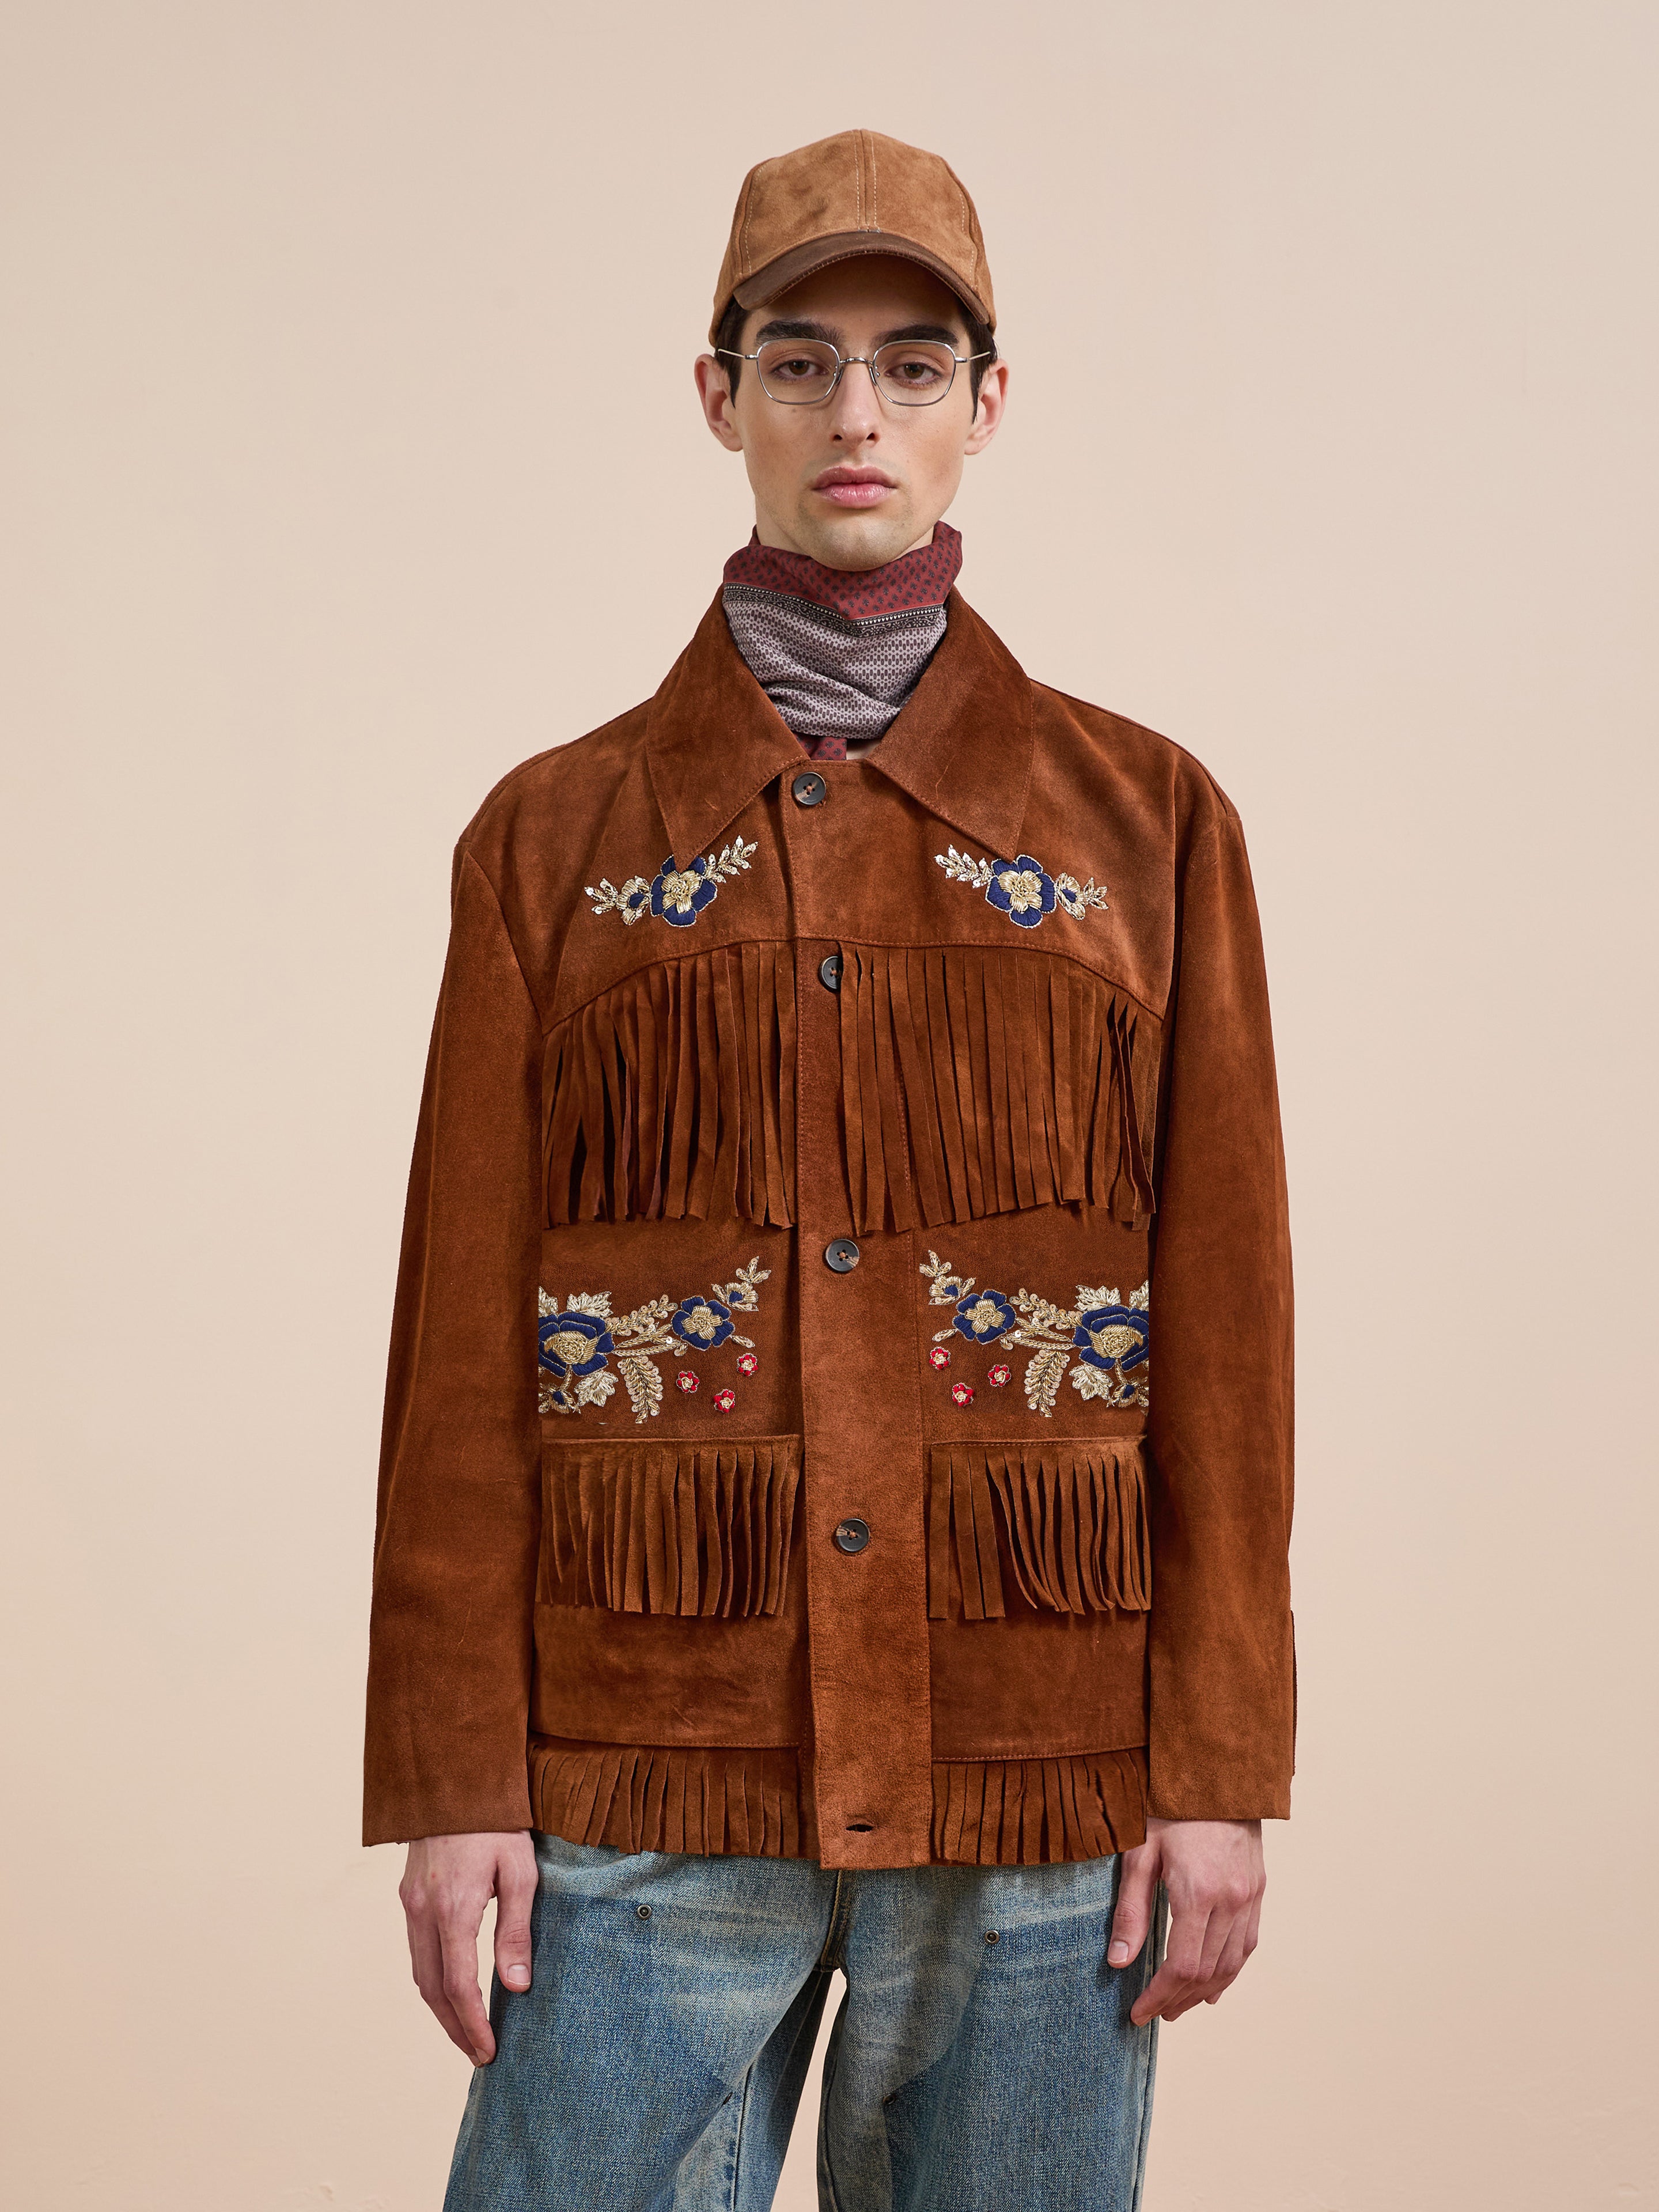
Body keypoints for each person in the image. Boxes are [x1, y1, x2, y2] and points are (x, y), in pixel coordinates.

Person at [365, 128, 1296, 2212]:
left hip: (1044, 1763)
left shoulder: (1148, 828)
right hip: (642, 1747)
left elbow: (1231, 1333)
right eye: (799, 361)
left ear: (987, 401)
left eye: (907, 362)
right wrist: (452, 1780)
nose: (853, 416)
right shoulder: (555, 844)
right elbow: (453, 1353)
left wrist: (1220, 1767)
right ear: (719, 399)